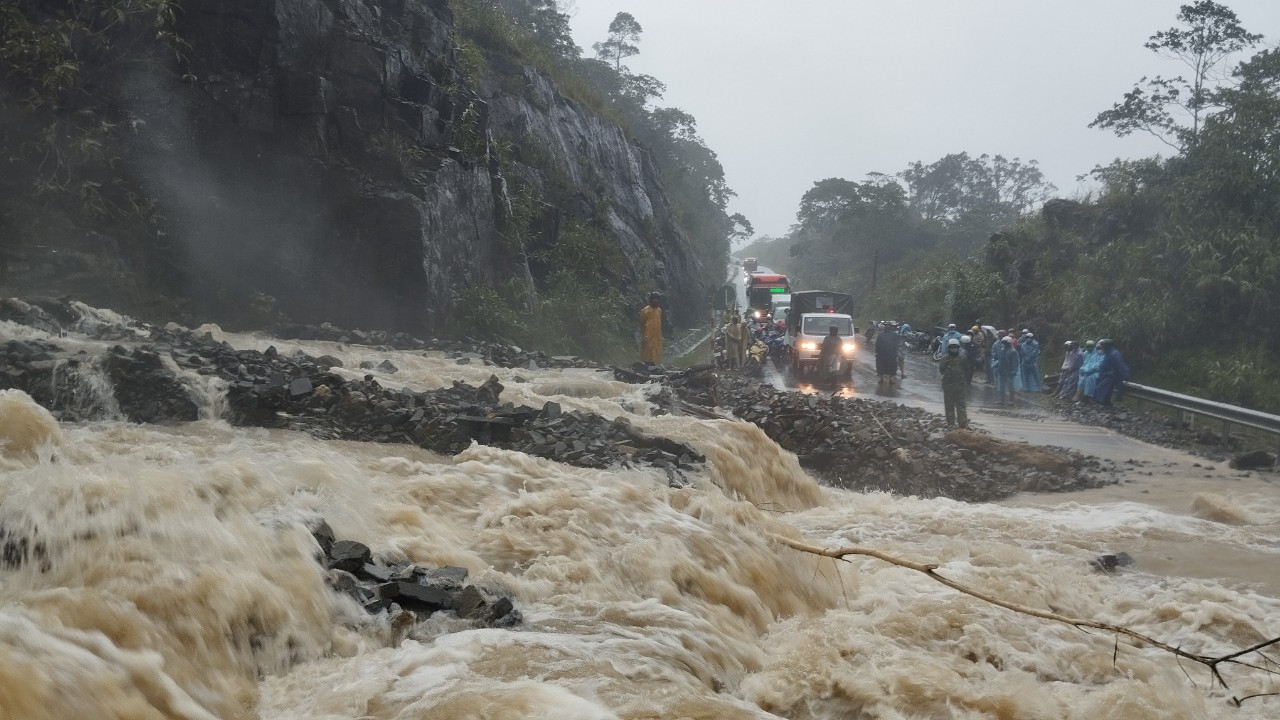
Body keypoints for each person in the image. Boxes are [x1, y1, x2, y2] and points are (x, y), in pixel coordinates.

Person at [938, 338, 969, 428]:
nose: (954, 349)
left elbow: (967, 369)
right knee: (949, 405)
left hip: (960, 386)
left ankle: (963, 424)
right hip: (948, 385)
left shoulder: (963, 358)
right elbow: (941, 369)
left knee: (961, 405)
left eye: (955, 347)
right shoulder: (944, 359)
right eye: (952, 347)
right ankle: (950, 423)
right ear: (949, 348)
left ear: (958, 348)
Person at [1093, 338, 1131, 407]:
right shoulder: (1108, 353)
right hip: (1105, 374)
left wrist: (1126, 375)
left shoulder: (1114, 354)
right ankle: (1105, 403)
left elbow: (1120, 365)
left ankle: (1105, 402)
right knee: (1100, 387)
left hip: (1112, 375)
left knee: (1102, 388)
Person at [639, 292, 665, 365]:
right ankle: (646, 364)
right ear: (651, 300)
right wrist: (644, 332)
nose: (656, 301)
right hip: (648, 334)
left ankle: (654, 364)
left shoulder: (659, 310)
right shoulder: (645, 310)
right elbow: (642, 322)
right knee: (648, 350)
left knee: (656, 349)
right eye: (654, 299)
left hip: (657, 335)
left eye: (657, 300)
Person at [994, 336, 1019, 405]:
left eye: (1005, 343)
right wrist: (996, 366)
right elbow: (1000, 360)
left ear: (1009, 343)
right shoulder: (1002, 350)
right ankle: (1001, 399)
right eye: (1003, 343)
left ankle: (1011, 400)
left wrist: (1014, 370)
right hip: (1002, 370)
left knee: (1010, 385)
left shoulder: (1013, 351)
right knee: (1001, 385)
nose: (1004, 344)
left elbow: (1015, 362)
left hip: (1009, 371)